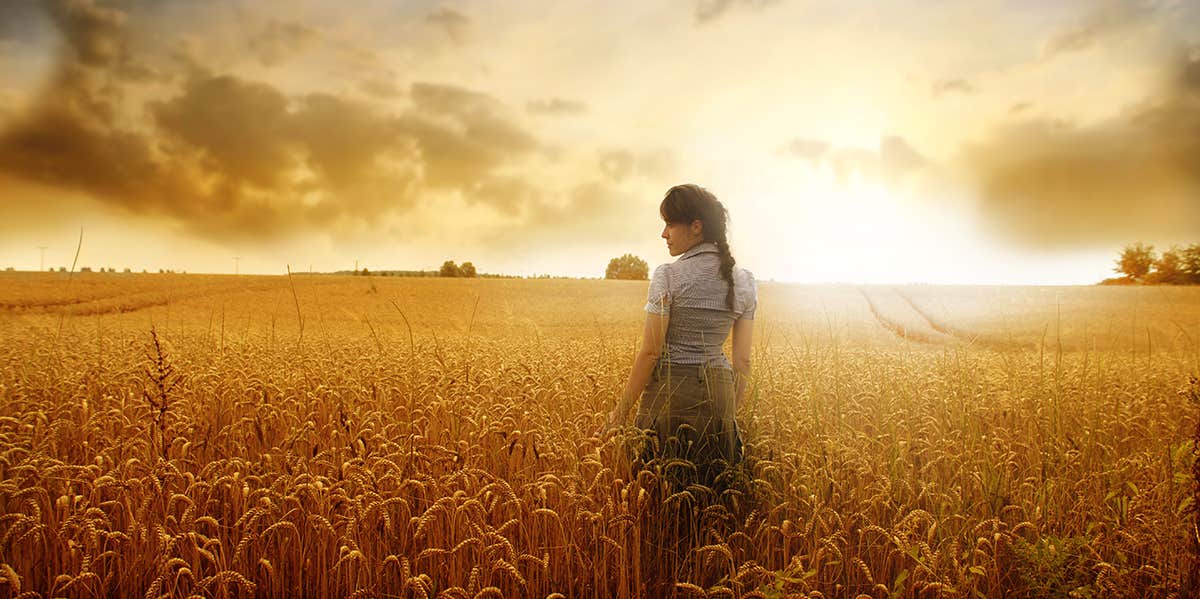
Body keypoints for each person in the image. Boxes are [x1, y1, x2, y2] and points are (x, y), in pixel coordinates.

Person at [602, 183, 757, 489]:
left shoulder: (668, 276)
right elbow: (743, 361)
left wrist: (618, 414)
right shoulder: (745, 281)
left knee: (660, 491)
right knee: (714, 494)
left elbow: (650, 353)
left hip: (671, 395)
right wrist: (727, 415)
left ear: (696, 227)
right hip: (721, 393)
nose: (664, 234)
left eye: (670, 224)